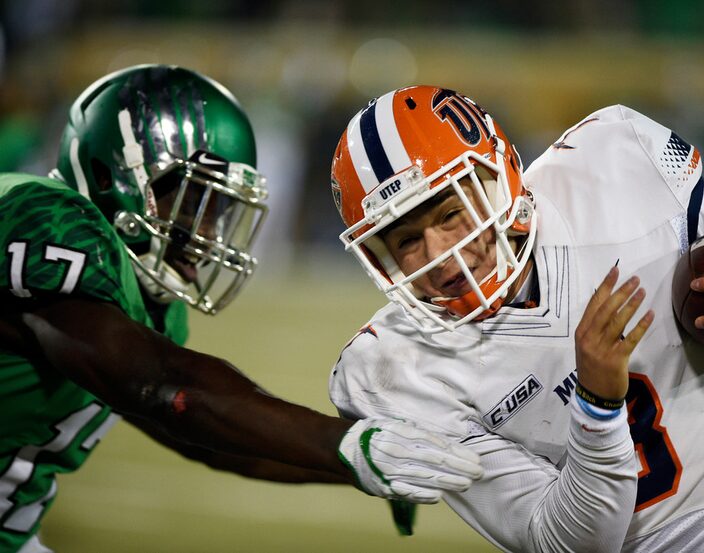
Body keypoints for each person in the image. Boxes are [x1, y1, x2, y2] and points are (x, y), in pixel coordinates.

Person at [0, 68, 485, 553]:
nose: (209, 234)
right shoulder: (44, 217)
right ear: (111, 177)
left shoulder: (143, 301)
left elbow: (206, 439)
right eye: (194, 204)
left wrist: (369, 463)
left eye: (220, 213)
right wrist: (347, 446)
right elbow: (163, 385)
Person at [328, 86, 704, 552]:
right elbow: (561, 543)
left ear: (497, 176)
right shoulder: (394, 371)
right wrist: (596, 408)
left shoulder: (609, 165)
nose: (440, 255)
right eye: (405, 240)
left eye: (448, 213)